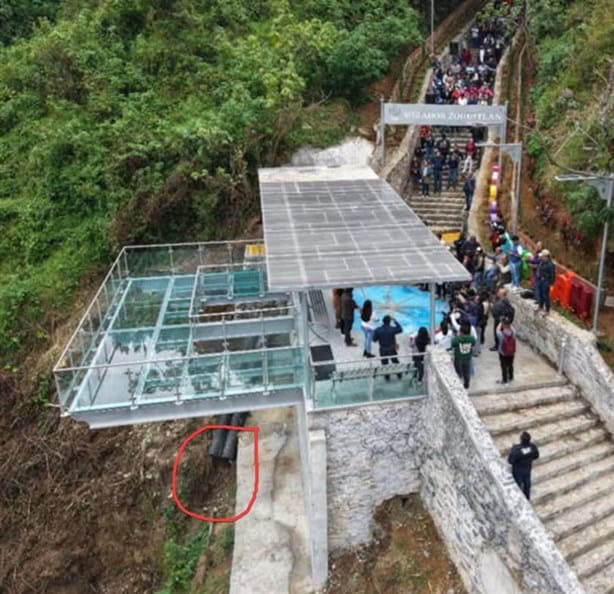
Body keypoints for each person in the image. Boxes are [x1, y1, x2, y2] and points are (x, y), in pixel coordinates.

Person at [508, 432, 539, 500]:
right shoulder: (532, 447)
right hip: (527, 469)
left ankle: (518, 499)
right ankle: (527, 499)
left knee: (518, 486)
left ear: (521, 439)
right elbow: (536, 456)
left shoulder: (516, 449)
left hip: (518, 471)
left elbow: (510, 461)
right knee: (527, 485)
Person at [373, 316, 403, 380]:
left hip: (383, 349)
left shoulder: (378, 330)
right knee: (395, 361)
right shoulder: (392, 329)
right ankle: (399, 375)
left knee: (384, 363)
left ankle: (387, 377)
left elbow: (374, 339)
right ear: (389, 322)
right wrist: (395, 321)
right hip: (392, 348)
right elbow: (400, 329)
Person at [451, 322, 476, 389]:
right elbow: (473, 344)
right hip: (467, 358)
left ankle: (458, 385)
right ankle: (466, 384)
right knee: (466, 372)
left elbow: (453, 344)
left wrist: (458, 336)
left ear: (461, 332)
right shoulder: (471, 339)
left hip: (459, 358)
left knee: (458, 373)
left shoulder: (457, 339)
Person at [496, 317, 516, 384]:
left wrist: (501, 322)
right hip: (511, 352)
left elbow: (497, 330)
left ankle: (504, 380)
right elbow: (512, 328)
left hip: (503, 352)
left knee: (503, 366)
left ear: (503, 325)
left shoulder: (501, 334)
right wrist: (509, 323)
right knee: (510, 364)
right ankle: (511, 377)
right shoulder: (513, 333)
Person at [536, 249, 555, 315]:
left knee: (545, 296)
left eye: (543, 256)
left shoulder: (550, 265)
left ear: (546, 257)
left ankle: (547, 309)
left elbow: (553, 275)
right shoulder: (542, 262)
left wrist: (551, 284)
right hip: (540, 280)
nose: (541, 257)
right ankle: (540, 306)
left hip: (546, 281)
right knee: (540, 294)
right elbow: (539, 268)